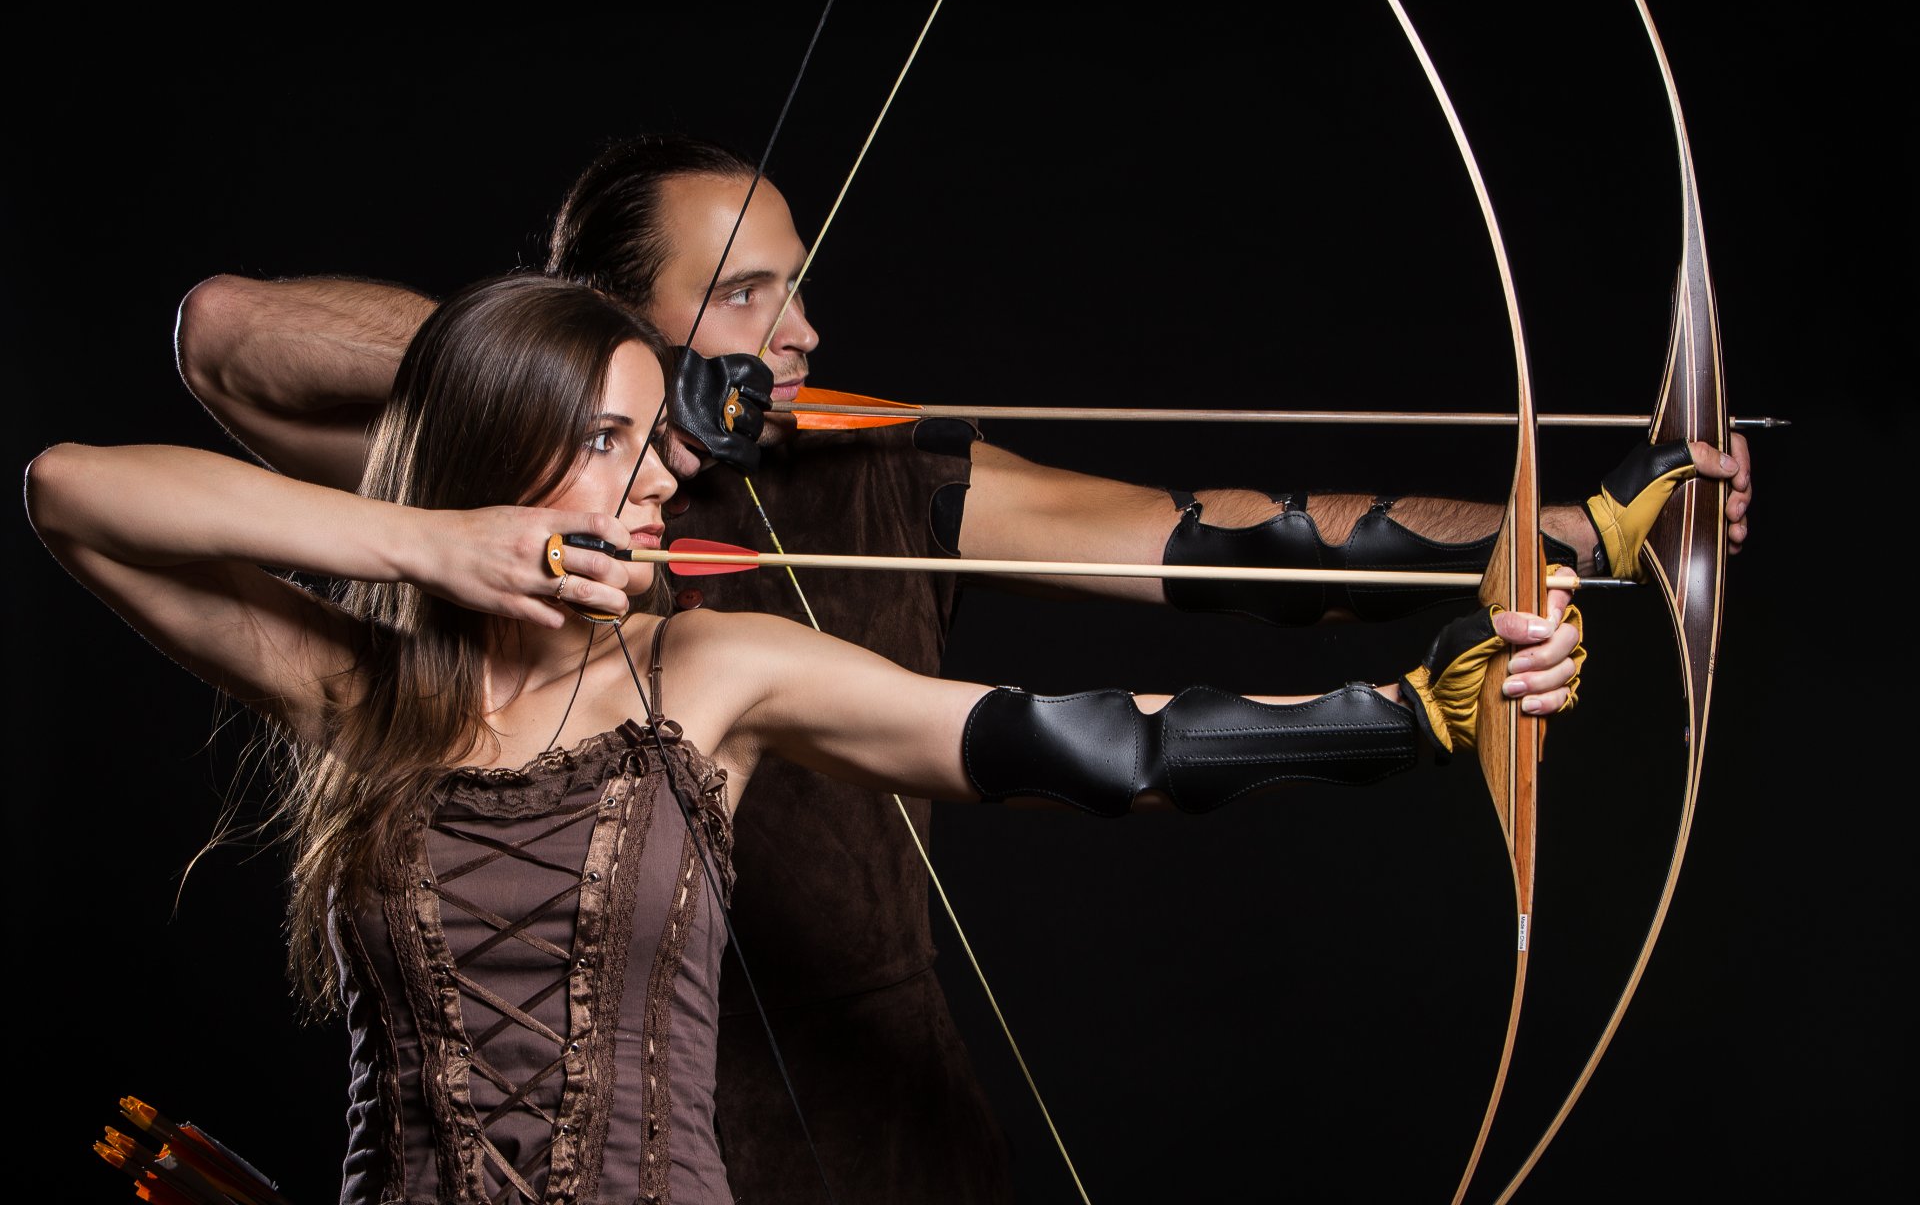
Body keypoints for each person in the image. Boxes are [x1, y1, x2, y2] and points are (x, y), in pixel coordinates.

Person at [174, 135, 1751, 1203]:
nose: (799, 328)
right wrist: (581, 386)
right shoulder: (504, 501)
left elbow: (1214, 544)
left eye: (795, 281)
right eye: (744, 292)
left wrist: (1575, 532)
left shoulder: (877, 473)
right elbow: (229, 336)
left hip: (867, 1111)